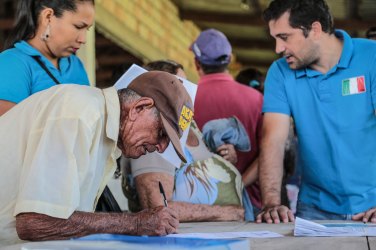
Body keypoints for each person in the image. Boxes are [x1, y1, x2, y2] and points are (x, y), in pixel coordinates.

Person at [0, 71, 193, 246]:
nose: (160, 147)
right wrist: (135, 223)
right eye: (161, 133)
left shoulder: (105, 133)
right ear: (139, 108)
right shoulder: (79, 114)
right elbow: (35, 222)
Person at [257, 0, 376, 224]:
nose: (278, 49)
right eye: (275, 39)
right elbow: (273, 139)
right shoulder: (280, 72)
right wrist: (271, 203)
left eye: (284, 37)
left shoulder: (372, 57)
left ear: (315, 30)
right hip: (314, 209)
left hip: (372, 207)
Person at [122, 60, 247, 222]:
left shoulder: (188, 126)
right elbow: (157, 208)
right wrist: (225, 212)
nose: (186, 92)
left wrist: (222, 159)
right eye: (180, 85)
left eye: (187, 84)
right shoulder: (154, 136)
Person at [190, 29, 264, 215]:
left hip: (195, 204)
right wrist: (238, 183)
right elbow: (268, 155)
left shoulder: (185, 99)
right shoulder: (256, 99)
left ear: (196, 63)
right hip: (248, 204)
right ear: (230, 59)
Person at [0, 0, 94, 116]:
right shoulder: (12, 63)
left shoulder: (76, 65)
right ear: (48, 17)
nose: (83, 39)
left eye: (87, 29)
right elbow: (8, 129)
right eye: (78, 26)